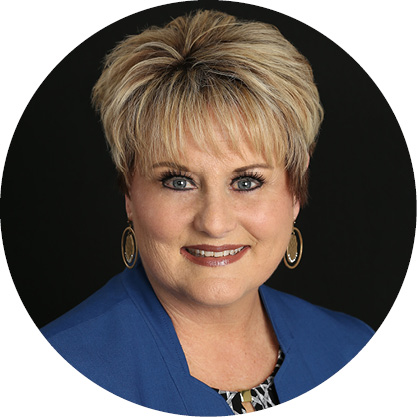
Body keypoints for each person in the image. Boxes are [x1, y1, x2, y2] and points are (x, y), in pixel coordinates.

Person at [41, 9, 374, 415]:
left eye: (247, 182)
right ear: (129, 191)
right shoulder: (55, 373)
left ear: (295, 189)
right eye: (178, 182)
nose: (215, 223)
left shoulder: (354, 350)